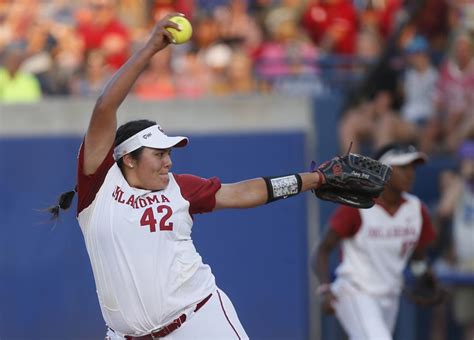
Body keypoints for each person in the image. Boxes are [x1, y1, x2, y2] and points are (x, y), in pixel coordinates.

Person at [49, 14, 330, 340]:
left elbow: (242, 193)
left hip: (200, 322)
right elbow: (103, 108)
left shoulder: (179, 188)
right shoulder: (98, 186)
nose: (168, 162)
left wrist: (314, 180)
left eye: (169, 153)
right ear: (128, 158)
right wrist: (151, 48)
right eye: (158, 154)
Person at [312, 143, 437, 340]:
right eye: (403, 167)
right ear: (383, 169)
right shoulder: (358, 205)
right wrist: (324, 288)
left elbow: (418, 256)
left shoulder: (416, 208)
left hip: (390, 294)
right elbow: (322, 249)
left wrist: (425, 278)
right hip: (355, 289)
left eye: (413, 168)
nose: (411, 173)